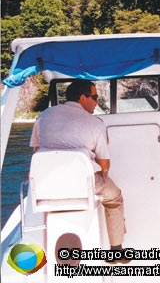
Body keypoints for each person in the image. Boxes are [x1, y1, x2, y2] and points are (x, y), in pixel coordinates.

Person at [30, 79, 128, 258]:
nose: (97, 102)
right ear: (83, 98)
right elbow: (105, 166)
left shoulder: (43, 116)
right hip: (83, 184)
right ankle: (116, 250)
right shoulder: (94, 123)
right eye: (95, 97)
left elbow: (37, 151)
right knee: (115, 199)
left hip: (46, 184)